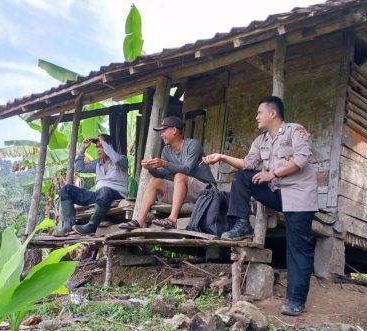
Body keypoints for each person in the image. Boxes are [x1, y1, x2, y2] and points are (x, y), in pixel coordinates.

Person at [202, 96, 318, 316]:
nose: (256, 117)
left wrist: (272, 173)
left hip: (299, 196)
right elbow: (248, 164)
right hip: (276, 192)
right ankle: (241, 223)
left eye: (259, 113)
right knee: (243, 176)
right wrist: (222, 157)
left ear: (272, 113)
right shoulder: (261, 140)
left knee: (298, 247)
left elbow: (301, 160)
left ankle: (295, 301)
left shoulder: (295, 131)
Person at [119, 116, 215, 230]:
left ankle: (172, 219)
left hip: (206, 190)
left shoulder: (193, 145)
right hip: (183, 191)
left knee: (179, 176)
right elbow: (162, 174)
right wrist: (150, 168)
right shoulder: (166, 150)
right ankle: (140, 220)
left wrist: (164, 163)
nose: (161, 134)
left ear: (174, 130)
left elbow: (187, 169)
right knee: (154, 182)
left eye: (163, 130)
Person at [57, 134, 128, 236]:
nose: (98, 149)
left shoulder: (122, 159)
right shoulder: (98, 163)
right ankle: (68, 225)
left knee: (105, 190)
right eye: (97, 147)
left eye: (101, 146)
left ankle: (91, 226)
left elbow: (116, 159)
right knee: (66, 189)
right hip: (100, 196)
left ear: (109, 146)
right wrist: (82, 149)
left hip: (117, 195)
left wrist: (104, 142)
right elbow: (79, 168)